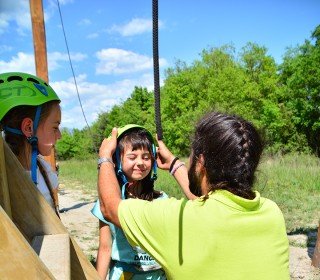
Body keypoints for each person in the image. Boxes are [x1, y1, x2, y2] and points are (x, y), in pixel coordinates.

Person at [97, 111, 290, 280]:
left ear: (201, 161)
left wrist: (106, 156)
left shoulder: (176, 219)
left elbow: (110, 206)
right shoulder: (272, 213)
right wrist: (174, 164)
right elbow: (208, 204)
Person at [92, 124, 167, 280]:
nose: (140, 162)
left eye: (146, 157)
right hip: (124, 275)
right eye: (132, 157)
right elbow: (105, 248)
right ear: (117, 160)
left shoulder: (162, 200)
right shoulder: (108, 204)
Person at [0, 72, 62, 216]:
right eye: (55, 127)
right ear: (28, 128)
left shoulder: (45, 170)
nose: (59, 135)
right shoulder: (6, 181)